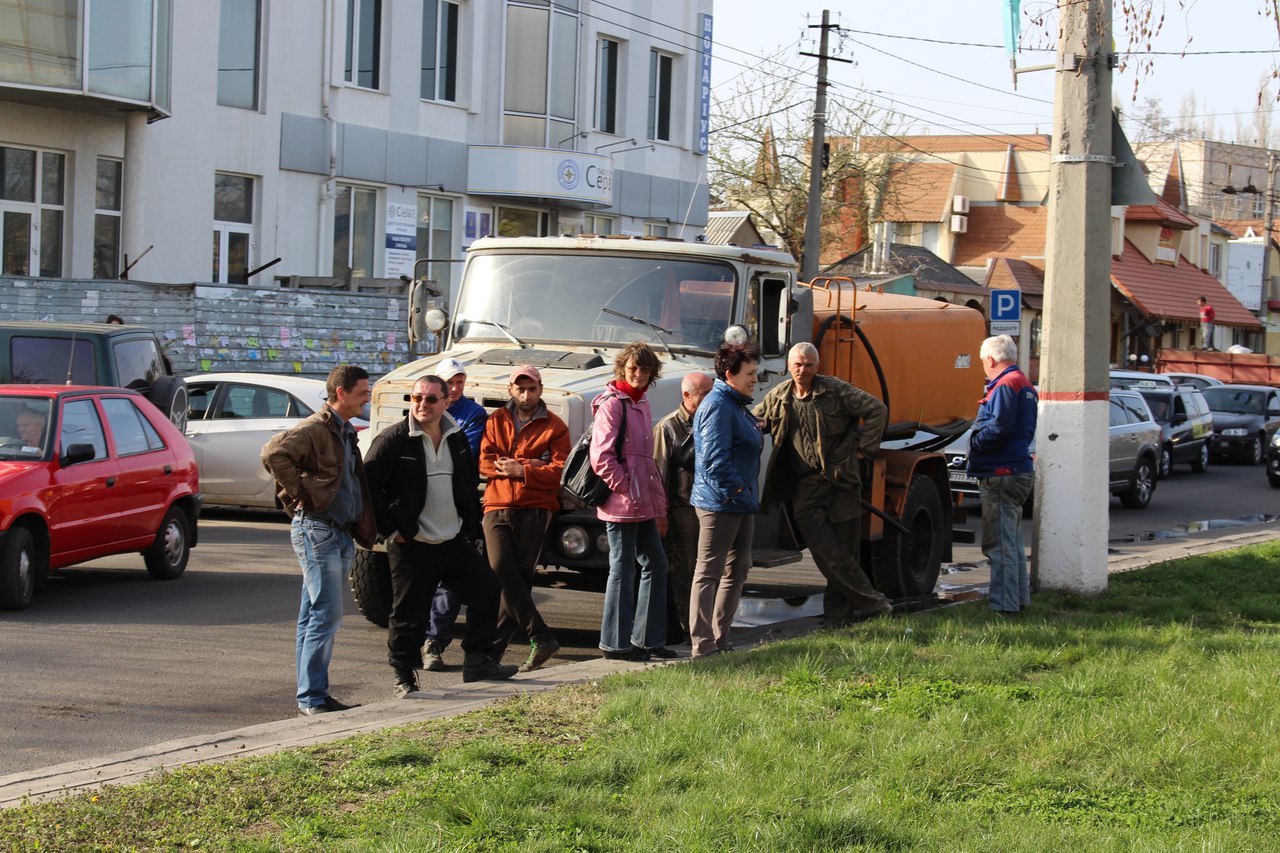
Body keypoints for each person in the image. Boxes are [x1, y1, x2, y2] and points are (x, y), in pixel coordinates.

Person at [363, 375, 518, 696]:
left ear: (446, 401)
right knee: (408, 616)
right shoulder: (393, 439)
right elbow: (368, 487)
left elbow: (464, 486)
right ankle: (404, 676)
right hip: (412, 544)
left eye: (431, 399)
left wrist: (468, 529)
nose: (422, 404)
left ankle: (477, 663)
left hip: (452, 542)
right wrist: (391, 529)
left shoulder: (457, 438)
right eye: (416, 397)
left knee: (487, 590)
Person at [261, 364, 375, 716]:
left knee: (313, 615)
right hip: (318, 529)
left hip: (338, 532)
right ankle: (311, 697)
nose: (367, 397)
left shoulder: (344, 431)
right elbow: (273, 454)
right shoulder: (314, 428)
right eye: (362, 392)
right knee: (326, 614)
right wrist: (300, 492)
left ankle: (313, 695)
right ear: (340, 393)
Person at [756, 342, 893, 627]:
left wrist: (863, 450)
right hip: (806, 487)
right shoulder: (779, 396)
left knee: (845, 552)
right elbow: (753, 421)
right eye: (797, 365)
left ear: (817, 366)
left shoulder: (835, 390)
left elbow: (877, 410)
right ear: (788, 366)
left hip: (841, 483)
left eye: (808, 365)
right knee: (826, 552)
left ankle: (838, 618)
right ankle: (876, 604)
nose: (802, 370)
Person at [478, 365, 571, 672]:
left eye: (532, 388)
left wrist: (523, 470)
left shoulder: (555, 426)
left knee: (517, 579)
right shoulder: (496, 419)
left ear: (541, 390)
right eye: (520, 388)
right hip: (496, 504)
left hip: (535, 508)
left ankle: (492, 654)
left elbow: (558, 472)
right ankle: (541, 635)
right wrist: (531, 465)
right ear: (510, 391)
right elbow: (486, 460)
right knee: (500, 568)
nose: (526, 394)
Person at [590, 341, 673, 661]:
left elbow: (646, 462)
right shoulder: (613, 404)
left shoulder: (641, 403)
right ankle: (615, 644)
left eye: (645, 369)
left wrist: (655, 501)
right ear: (622, 368)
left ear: (652, 373)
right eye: (633, 368)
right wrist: (625, 488)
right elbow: (602, 457)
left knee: (656, 563)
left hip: (642, 503)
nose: (638, 374)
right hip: (622, 504)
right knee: (622, 570)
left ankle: (647, 641)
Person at [688, 345, 763, 657]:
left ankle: (720, 638)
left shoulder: (735, 404)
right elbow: (715, 462)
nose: (755, 380)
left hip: (739, 503)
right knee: (709, 572)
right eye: (750, 374)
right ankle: (702, 645)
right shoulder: (719, 405)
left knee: (738, 569)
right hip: (720, 504)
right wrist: (739, 494)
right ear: (729, 375)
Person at [421, 356, 489, 671]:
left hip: (457, 505)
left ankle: (439, 643)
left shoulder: (473, 415)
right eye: (450, 382)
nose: (456, 387)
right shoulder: (423, 413)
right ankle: (410, 652)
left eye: (460, 381)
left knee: (455, 581)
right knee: (417, 579)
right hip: (424, 505)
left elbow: (464, 454)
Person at [968, 334, 1038, 614]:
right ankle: (1018, 600)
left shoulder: (1005, 385)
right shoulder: (1023, 382)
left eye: (983, 361)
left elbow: (999, 427)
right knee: (1011, 543)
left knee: (999, 545)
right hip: (1016, 469)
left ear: (990, 359)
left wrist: (975, 443)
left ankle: (1004, 607)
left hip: (1001, 471)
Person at [653, 371, 714, 643]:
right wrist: (661, 515)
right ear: (686, 396)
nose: (711, 400)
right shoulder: (668, 427)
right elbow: (658, 474)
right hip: (682, 509)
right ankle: (687, 628)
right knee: (684, 570)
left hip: (710, 507)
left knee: (709, 569)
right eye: (704, 394)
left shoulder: (714, 421)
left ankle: (705, 625)